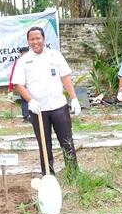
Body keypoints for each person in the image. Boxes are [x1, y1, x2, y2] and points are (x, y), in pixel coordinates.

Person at [12, 27, 81, 175]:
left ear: (43, 39)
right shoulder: (23, 61)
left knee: (67, 141)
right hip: (38, 109)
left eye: (38, 38)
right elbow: (18, 84)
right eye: (32, 39)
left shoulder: (55, 55)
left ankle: (73, 173)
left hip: (59, 106)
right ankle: (48, 175)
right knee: (44, 144)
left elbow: (65, 77)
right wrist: (30, 101)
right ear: (28, 41)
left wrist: (74, 97)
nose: (35, 41)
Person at [8, 46, 31, 122]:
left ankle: (28, 116)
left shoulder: (33, 60)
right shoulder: (18, 62)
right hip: (22, 84)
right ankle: (27, 116)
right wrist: (10, 87)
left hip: (31, 83)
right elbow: (13, 74)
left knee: (27, 99)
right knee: (25, 99)